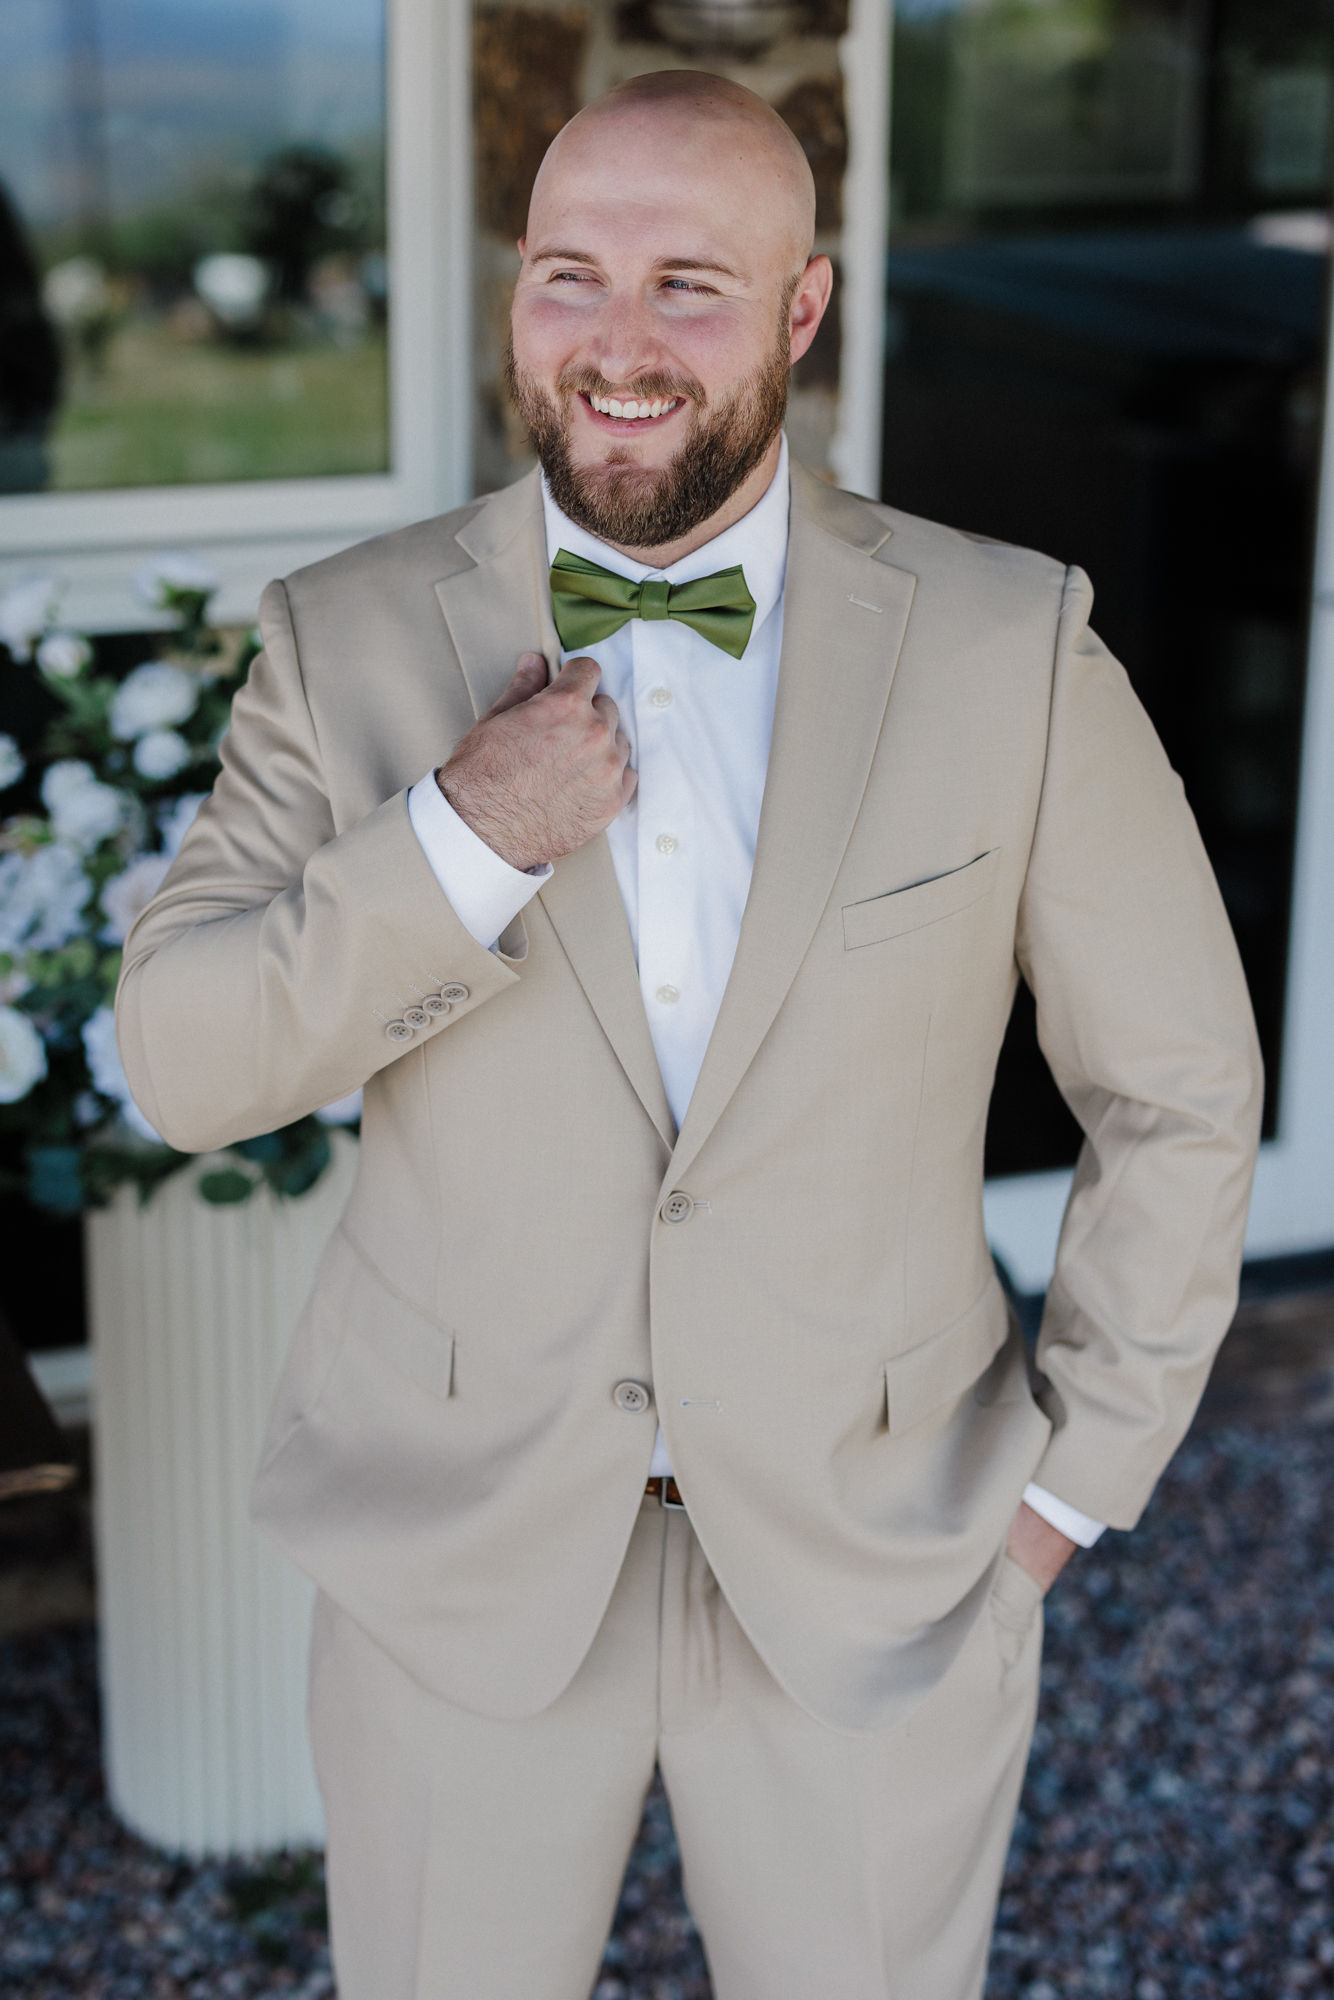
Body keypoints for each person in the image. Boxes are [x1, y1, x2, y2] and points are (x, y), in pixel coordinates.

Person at [115, 70, 1263, 2000]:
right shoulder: (343, 639)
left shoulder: (1009, 645)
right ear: (510, 295)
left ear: (803, 310)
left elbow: (1180, 1092)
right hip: (460, 1558)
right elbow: (184, 1059)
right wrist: (462, 834)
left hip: (885, 1555)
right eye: (569, 276)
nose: (617, 345)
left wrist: (1066, 1490)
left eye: (688, 285)